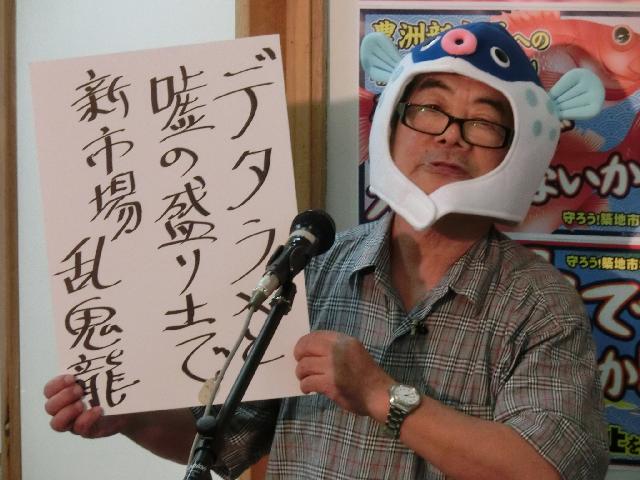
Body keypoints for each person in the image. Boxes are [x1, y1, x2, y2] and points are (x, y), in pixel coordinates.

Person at [44, 22, 609, 479]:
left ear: (520, 149)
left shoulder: (540, 303)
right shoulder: (311, 266)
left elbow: (548, 470)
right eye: (428, 109)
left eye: (483, 122)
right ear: (390, 124)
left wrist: (380, 394)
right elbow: (232, 440)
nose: (449, 135)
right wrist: (133, 418)